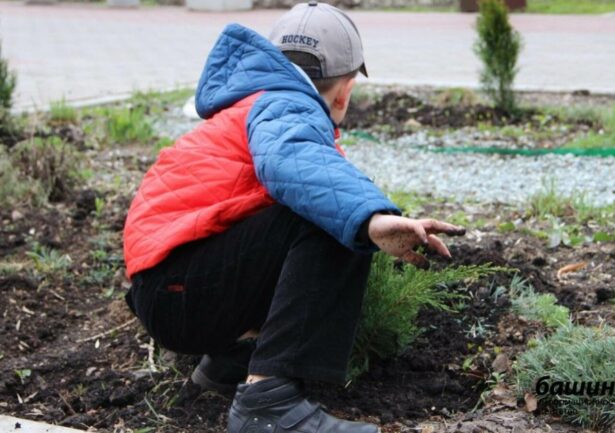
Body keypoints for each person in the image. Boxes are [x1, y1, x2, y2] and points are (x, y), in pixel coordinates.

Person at [122, 2, 464, 432]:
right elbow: (295, 164)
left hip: (168, 292)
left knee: (310, 207)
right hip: (180, 292)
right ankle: (269, 404)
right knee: (329, 218)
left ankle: (232, 363)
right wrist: (370, 220)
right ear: (345, 91)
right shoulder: (286, 106)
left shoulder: (253, 105)